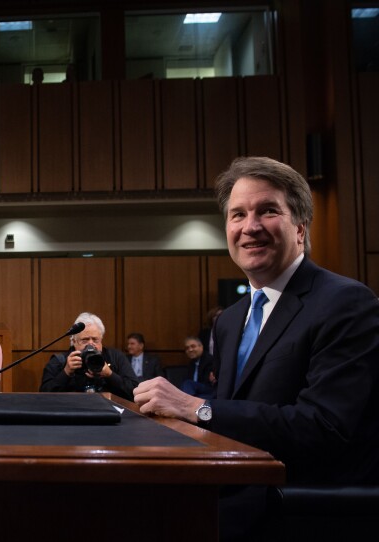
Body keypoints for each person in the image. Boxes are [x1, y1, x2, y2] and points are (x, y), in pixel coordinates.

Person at [133, 156, 379, 539]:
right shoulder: (230, 319)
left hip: (299, 510)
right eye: (237, 215)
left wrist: (193, 407)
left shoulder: (346, 302)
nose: (251, 227)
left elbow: (323, 427)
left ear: (300, 228)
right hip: (228, 492)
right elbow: (228, 418)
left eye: (267, 211)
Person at [40, 312, 137, 400]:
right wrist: (66, 372)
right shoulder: (60, 361)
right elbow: (43, 397)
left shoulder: (115, 357)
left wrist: (110, 375)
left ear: (101, 340)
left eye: (95, 340)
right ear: (74, 342)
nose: (91, 345)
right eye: (85, 340)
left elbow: (134, 393)